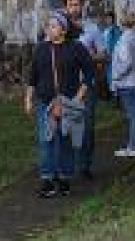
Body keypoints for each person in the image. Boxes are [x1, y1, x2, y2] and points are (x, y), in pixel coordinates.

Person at [25, 14, 95, 198]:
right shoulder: (41, 49)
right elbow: (33, 76)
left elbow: (89, 72)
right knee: (46, 140)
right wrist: (28, 98)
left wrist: (79, 97)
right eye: (48, 26)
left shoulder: (76, 48)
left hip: (67, 102)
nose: (49, 29)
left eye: (54, 26)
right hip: (45, 103)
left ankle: (64, 178)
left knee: (65, 139)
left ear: (63, 29)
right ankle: (47, 179)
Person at [57, 0, 101, 179]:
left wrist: (91, 56)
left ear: (82, 5)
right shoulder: (58, 28)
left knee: (87, 125)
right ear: (65, 7)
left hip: (86, 83)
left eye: (77, 4)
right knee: (64, 125)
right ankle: (66, 164)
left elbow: (104, 54)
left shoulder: (92, 29)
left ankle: (84, 165)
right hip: (64, 83)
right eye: (71, 5)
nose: (75, 8)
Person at [110, 12, 135, 157]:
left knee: (134, 116)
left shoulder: (125, 39)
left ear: (123, 23)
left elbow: (126, 62)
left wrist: (116, 76)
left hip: (127, 82)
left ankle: (133, 147)